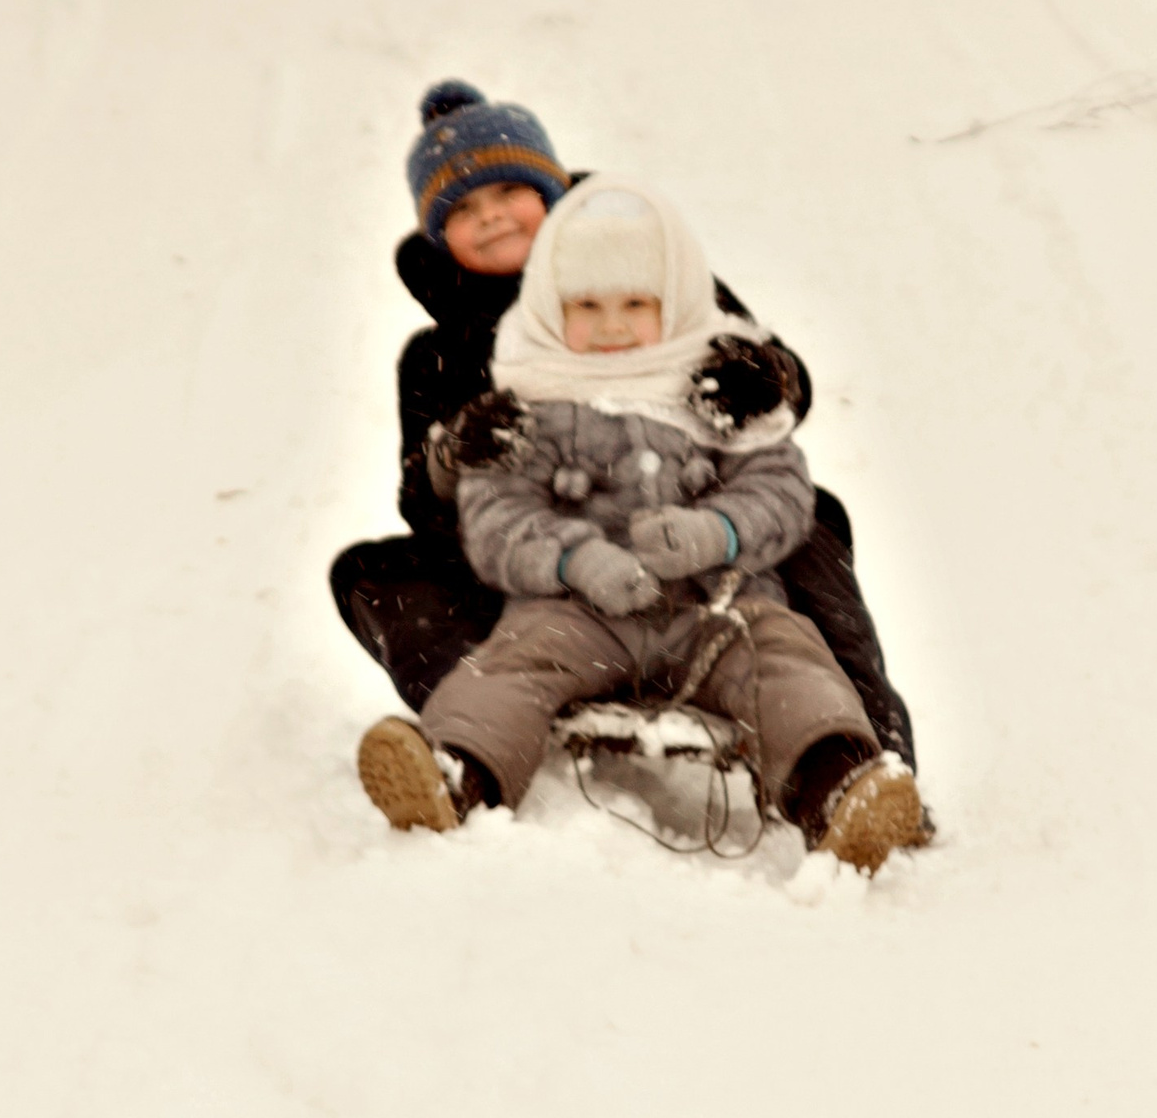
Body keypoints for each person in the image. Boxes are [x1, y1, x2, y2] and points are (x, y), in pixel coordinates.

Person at [327, 81, 919, 764]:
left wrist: (764, 377)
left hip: (694, 548)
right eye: (463, 208)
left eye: (507, 192)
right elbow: (423, 510)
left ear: (551, 193)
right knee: (374, 572)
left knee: (811, 518)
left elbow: (776, 396)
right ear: (438, 235)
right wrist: (452, 456)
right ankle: (485, 717)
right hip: (549, 573)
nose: (490, 217)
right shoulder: (436, 356)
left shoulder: (649, 267)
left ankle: (866, 743)